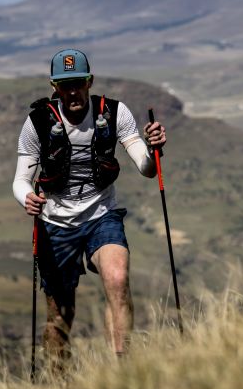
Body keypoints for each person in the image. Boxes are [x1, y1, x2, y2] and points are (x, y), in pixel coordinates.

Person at [13, 48, 166, 363]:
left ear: (90, 81)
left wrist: (154, 151)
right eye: (65, 85)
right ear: (54, 87)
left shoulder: (114, 113)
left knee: (117, 278)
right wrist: (26, 198)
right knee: (60, 314)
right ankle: (59, 387)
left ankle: (124, 370)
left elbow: (146, 169)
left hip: (101, 216)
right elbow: (20, 180)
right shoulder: (38, 122)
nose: (72, 92)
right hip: (55, 223)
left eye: (78, 83)